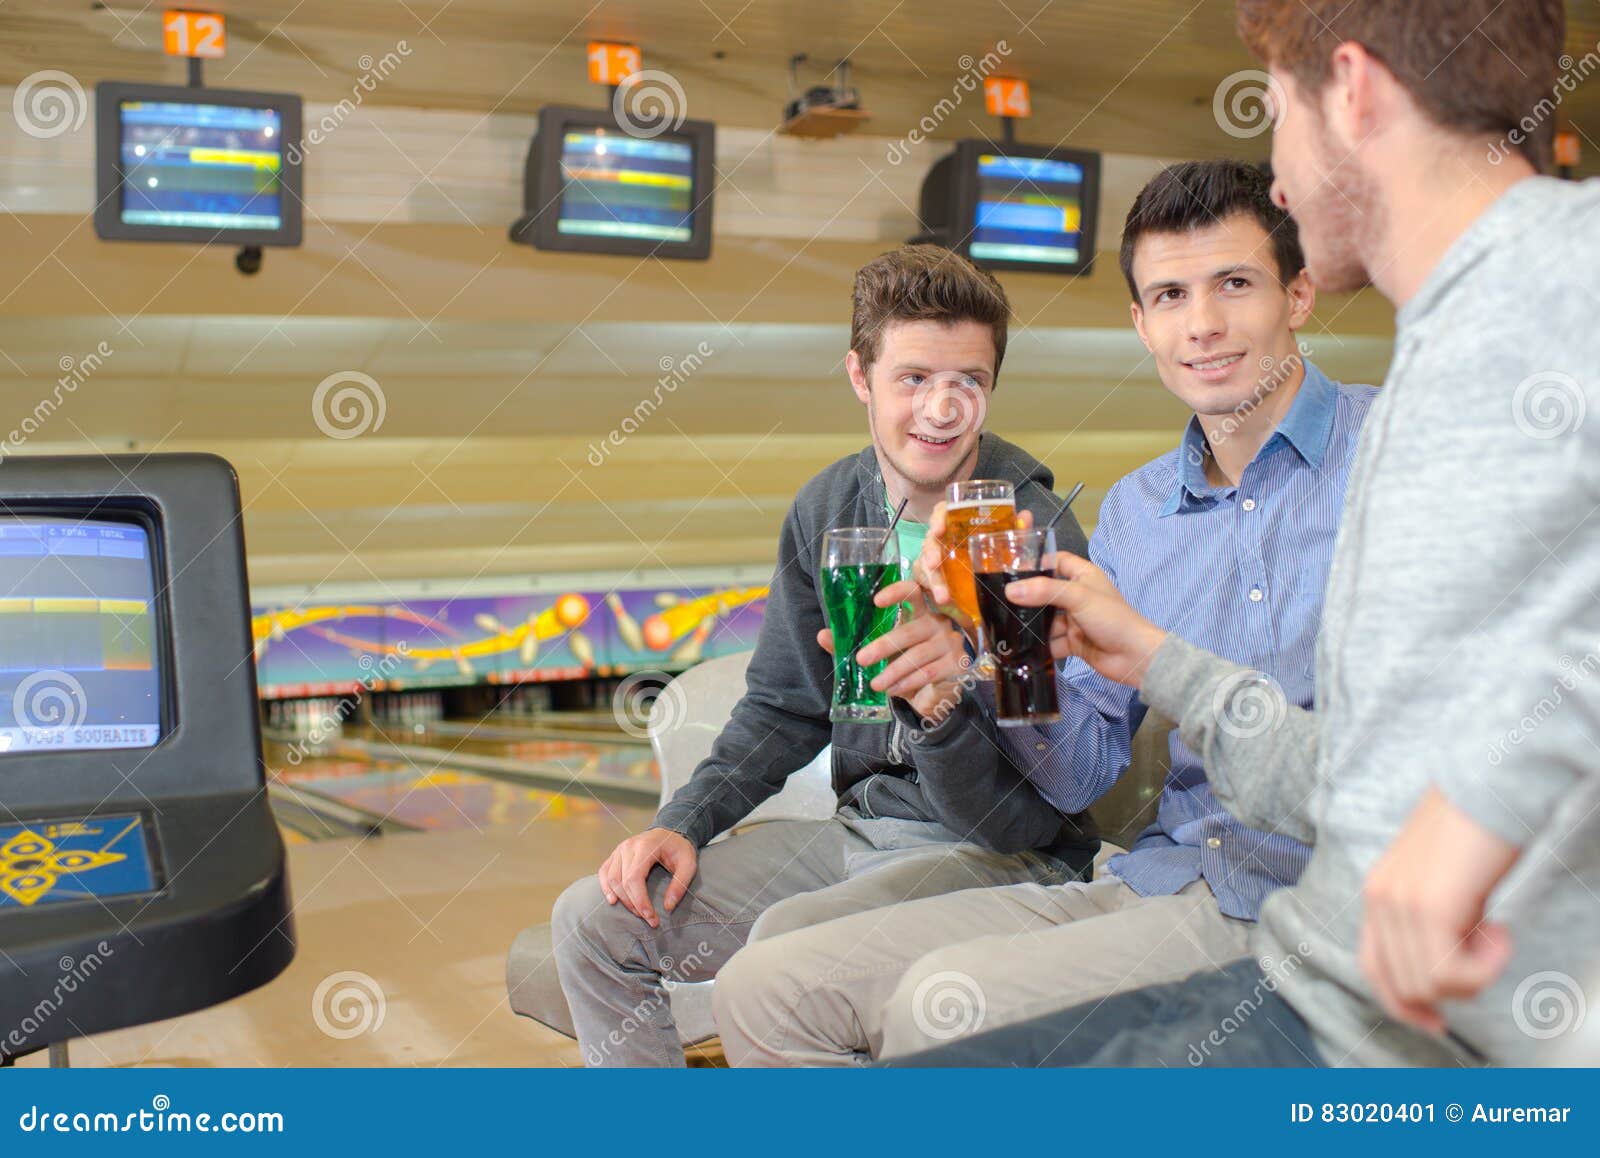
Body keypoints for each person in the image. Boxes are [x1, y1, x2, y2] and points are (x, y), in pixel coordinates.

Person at [893, 0, 1600, 1068]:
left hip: (1436, 1050)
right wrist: (1135, 658)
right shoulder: (1441, 352)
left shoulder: (1556, 280)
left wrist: (1474, 804)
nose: (1280, 177)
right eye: (1169, 296)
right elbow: (1358, 781)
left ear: (1352, 91)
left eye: (1275, 111)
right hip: (1334, 990)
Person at [712, 159, 1376, 1065]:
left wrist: (1144, 654)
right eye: (1170, 295)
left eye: (1234, 283)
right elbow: (1079, 772)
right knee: (767, 988)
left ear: (1298, 294)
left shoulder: (1395, 450)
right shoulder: (1138, 513)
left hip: (1315, 903)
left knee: (942, 1008)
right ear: (1140, 323)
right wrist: (981, 664)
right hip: (1159, 875)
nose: (1202, 324)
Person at [532, 244, 1095, 1067]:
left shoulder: (1027, 531)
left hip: (999, 856)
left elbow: (1035, 808)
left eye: (968, 381)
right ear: (860, 375)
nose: (941, 409)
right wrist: (683, 822)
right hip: (859, 831)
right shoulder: (828, 510)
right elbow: (782, 707)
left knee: (782, 952)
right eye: (912, 378)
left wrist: (944, 704)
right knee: (593, 922)